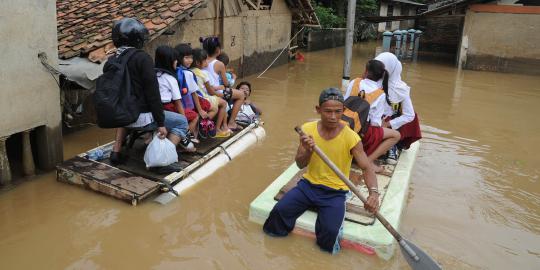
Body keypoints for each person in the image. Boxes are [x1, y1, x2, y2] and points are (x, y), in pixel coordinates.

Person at [263, 88, 380, 254]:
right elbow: (299, 164)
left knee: (330, 234)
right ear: (318, 110)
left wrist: (373, 194)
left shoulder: (351, 137)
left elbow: (367, 167)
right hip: (308, 186)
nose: (333, 117)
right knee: (278, 214)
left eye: (338, 112)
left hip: (335, 193)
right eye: (328, 111)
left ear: (343, 111)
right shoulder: (307, 129)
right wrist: (307, 149)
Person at [107, 18, 191, 171]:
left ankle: (116, 151)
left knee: (129, 111)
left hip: (119, 116)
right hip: (140, 117)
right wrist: (160, 124)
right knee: (181, 122)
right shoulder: (142, 58)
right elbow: (153, 95)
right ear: (137, 39)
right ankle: (162, 159)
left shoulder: (112, 60)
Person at [344, 60, 400, 172]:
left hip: (344, 124)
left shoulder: (355, 81)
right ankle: (368, 161)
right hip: (362, 132)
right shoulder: (380, 94)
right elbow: (375, 123)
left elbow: (344, 101)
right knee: (396, 135)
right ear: (381, 76)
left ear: (365, 71)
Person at [374, 52, 422, 164]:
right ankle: (389, 146)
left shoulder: (400, 89)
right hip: (375, 120)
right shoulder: (372, 82)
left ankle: (392, 145)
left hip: (384, 122)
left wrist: (388, 124)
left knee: (411, 115)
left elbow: (409, 115)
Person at [200, 36, 246, 131]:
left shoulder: (200, 61)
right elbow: (226, 84)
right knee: (241, 94)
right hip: (216, 91)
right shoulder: (219, 64)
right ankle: (232, 123)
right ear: (218, 50)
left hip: (203, 92)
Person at [175, 43, 213, 145]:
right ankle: (188, 138)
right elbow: (194, 93)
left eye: (191, 58)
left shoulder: (174, 70)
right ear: (179, 58)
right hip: (185, 105)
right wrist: (200, 110)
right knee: (196, 114)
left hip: (177, 104)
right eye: (186, 58)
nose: (190, 60)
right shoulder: (187, 73)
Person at [191, 48, 231, 137]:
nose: (207, 62)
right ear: (198, 62)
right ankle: (213, 127)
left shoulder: (189, 71)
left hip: (194, 98)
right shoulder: (203, 74)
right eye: (205, 60)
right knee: (223, 103)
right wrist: (221, 95)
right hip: (203, 98)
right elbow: (211, 91)